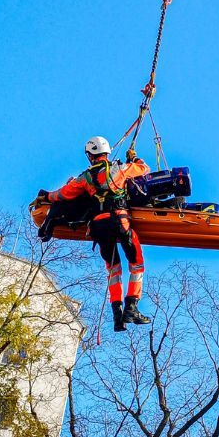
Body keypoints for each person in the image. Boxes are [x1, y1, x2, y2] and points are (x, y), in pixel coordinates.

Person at [38, 136, 152, 332]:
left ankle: (118, 316)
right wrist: (134, 158)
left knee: (113, 270)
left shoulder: (85, 178)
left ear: (91, 155)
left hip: (99, 226)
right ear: (107, 153)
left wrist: (46, 196)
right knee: (136, 263)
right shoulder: (121, 169)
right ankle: (131, 307)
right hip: (120, 222)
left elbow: (63, 194)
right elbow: (144, 168)